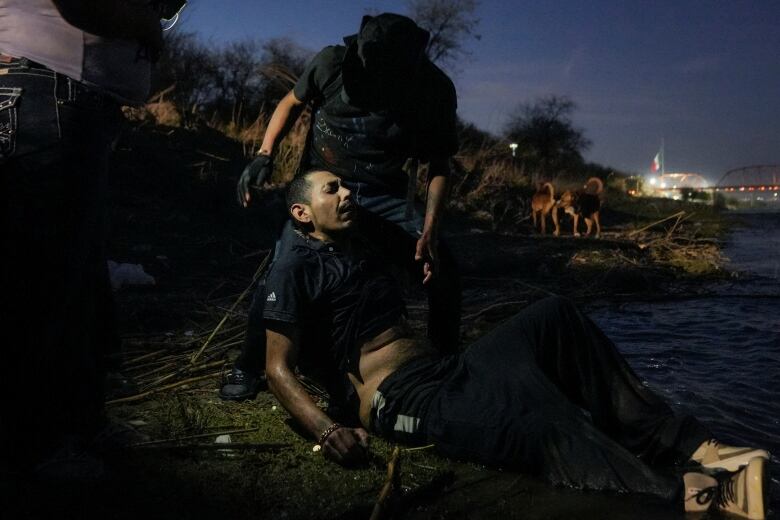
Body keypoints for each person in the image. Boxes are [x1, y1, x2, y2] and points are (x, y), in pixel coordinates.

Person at [263, 168, 770, 519]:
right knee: (537, 419)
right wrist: (329, 433)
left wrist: (432, 249)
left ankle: (688, 444)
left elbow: (434, 208)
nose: (347, 193)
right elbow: (277, 368)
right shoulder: (294, 267)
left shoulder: (363, 247)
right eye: (333, 190)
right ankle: (692, 493)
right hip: (400, 398)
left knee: (554, 315)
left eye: (346, 186)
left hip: (446, 370)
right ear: (303, 213)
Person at [222, 13, 462, 401]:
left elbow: (439, 164)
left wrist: (431, 225)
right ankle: (249, 364)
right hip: (323, 184)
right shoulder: (332, 63)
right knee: (281, 270)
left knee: (444, 271)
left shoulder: (433, 90)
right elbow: (291, 101)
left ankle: (446, 365)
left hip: (384, 193)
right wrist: (265, 154)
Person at [0, 0, 175, 473]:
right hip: (43, 91)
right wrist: (146, 25)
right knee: (44, 283)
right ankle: (36, 446)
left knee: (76, 279)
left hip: (61, 98)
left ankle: (75, 426)